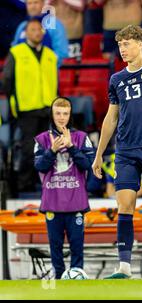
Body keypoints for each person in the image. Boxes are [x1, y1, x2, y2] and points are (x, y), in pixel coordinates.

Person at [91, 25, 142, 279]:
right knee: (125, 204)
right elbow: (111, 117)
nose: (123, 49)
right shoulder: (117, 79)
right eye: (120, 45)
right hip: (125, 149)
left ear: (140, 44)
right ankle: (124, 267)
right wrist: (99, 153)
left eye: (127, 44)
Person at [34, 97, 94, 279]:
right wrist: (51, 151)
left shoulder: (82, 138)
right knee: (55, 247)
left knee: (77, 246)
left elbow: (89, 165)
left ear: (70, 115)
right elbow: (39, 167)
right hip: (52, 203)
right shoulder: (42, 139)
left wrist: (71, 147)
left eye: (65, 113)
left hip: (76, 202)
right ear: (52, 114)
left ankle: (76, 279)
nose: (61, 117)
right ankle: (58, 279)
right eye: (58, 113)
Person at [3, 18, 58, 192]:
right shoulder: (16, 52)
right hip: (26, 108)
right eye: (32, 29)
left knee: (48, 148)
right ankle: (24, 184)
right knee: (28, 148)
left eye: (39, 29)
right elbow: (7, 80)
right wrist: (14, 103)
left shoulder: (50, 54)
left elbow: (54, 83)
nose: (36, 32)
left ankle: (42, 183)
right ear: (26, 33)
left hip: (47, 107)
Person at [12, 0, 69, 67]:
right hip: (24, 74)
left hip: (47, 73)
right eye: (29, 3)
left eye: (36, 2)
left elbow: (61, 53)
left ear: (43, 4)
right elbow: (14, 52)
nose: (32, 6)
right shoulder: (22, 26)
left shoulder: (54, 25)